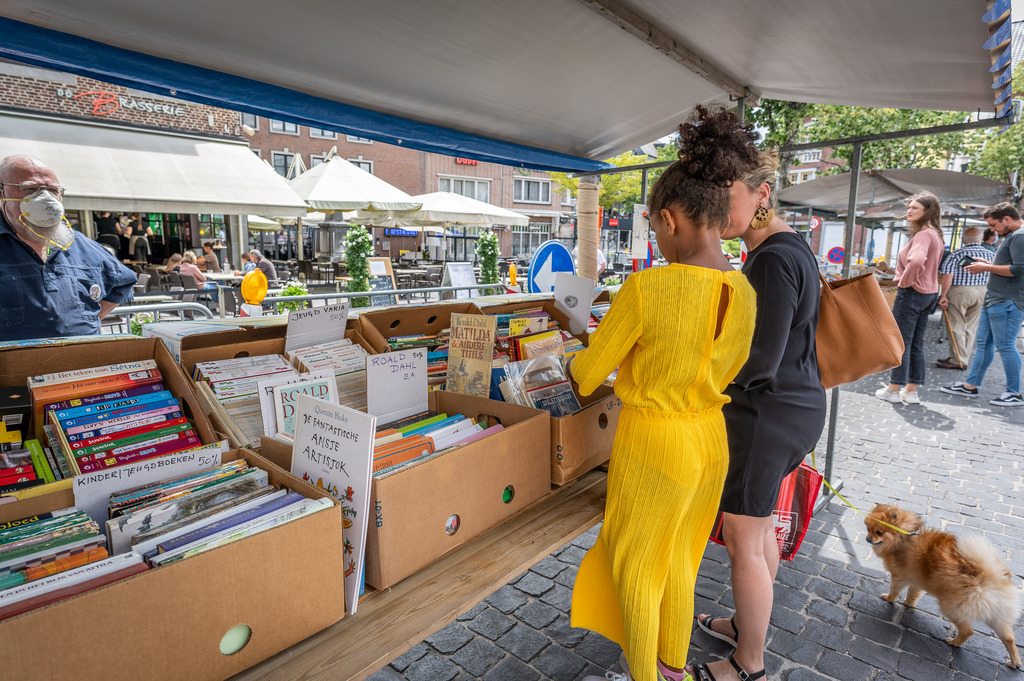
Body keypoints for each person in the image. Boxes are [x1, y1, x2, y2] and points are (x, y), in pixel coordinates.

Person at [569, 106, 760, 681]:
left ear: (671, 219)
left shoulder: (648, 287)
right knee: (681, 564)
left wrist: (583, 344)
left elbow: (586, 373)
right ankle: (672, 670)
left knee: (635, 568)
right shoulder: (743, 289)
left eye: (653, 226)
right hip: (709, 441)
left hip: (655, 443)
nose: (654, 235)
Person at [692, 151, 827, 681]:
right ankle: (745, 628)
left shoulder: (770, 258)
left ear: (762, 194)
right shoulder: (790, 249)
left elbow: (758, 361)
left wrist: (701, 382)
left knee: (744, 541)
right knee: (761, 526)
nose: (717, 214)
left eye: (726, 201)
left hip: (766, 414)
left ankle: (748, 664)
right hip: (792, 409)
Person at [0, 155, 135, 341]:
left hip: (82, 365)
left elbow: (123, 281)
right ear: (2, 193)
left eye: (52, 190)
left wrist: (87, 321)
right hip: (15, 368)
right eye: (30, 189)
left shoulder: (79, 244)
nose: (44, 198)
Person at [942, 202, 1024, 406]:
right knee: (984, 345)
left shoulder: (1019, 236)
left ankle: (1014, 392)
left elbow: (1019, 269)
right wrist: (988, 264)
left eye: (994, 225)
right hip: (995, 300)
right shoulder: (1015, 236)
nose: (993, 230)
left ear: (1006, 219)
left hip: (1007, 301)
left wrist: (986, 268)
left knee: (1005, 346)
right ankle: (970, 385)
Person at [874, 192, 944, 405]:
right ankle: (911, 391)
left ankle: (894, 389)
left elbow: (917, 262)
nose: (909, 211)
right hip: (929, 294)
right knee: (916, 343)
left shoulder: (923, 235)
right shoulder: (935, 235)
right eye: (909, 207)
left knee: (901, 342)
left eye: (914, 208)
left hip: (913, 294)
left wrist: (903, 283)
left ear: (928, 212)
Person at [935, 227, 993, 369]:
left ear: (963, 239)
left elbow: (948, 276)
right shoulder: (991, 254)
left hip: (960, 291)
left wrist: (943, 295)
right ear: (980, 239)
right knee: (971, 327)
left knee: (956, 325)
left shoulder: (957, 254)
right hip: (982, 291)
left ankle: (958, 360)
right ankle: (961, 357)